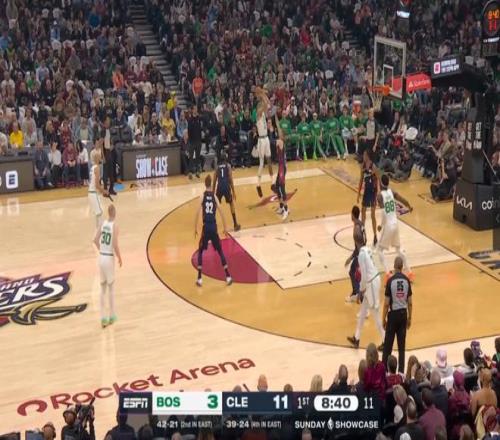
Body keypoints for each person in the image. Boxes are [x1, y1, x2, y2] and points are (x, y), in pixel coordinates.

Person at [194, 174, 232, 286]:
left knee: (201, 250)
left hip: (206, 227)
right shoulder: (215, 197)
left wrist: (195, 228)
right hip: (213, 227)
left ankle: (199, 278)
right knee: (220, 251)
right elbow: (222, 212)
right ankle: (228, 276)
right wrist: (225, 228)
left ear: (204, 184)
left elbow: (197, 213)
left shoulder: (202, 196)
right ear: (211, 184)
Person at [347, 237, 385, 349]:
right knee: (363, 312)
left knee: (375, 313)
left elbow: (363, 276)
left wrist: (360, 291)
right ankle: (356, 338)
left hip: (371, 283)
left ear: (356, 243)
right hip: (373, 279)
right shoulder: (367, 249)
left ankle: (385, 340)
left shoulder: (361, 255)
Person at [376, 174, 414, 281]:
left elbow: (384, 213)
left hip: (388, 225)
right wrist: (409, 205)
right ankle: (410, 272)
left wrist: (381, 225)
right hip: (395, 223)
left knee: (379, 250)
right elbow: (401, 199)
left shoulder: (379, 196)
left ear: (380, 183)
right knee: (399, 249)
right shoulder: (391, 191)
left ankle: (388, 274)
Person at [382, 256, 413, 372]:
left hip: (393, 315)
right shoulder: (407, 281)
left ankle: (384, 371)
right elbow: (410, 303)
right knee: (401, 348)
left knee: (387, 347)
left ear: (394, 266)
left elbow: (386, 304)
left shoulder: (390, 281)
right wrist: (410, 318)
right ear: (402, 267)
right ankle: (401, 373)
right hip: (403, 314)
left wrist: (383, 318)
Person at [94, 204, 122, 328]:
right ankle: (111, 316)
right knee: (111, 288)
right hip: (109, 258)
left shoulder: (102, 224)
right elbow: (115, 244)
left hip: (101, 257)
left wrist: (102, 250)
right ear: (114, 213)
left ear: (108, 212)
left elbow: (95, 240)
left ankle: (102, 318)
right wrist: (119, 257)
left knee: (102, 288)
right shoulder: (115, 226)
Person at [212, 151, 241, 231]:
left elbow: (214, 180)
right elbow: (230, 179)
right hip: (226, 187)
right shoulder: (228, 166)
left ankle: (211, 224)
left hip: (219, 187)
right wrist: (233, 191)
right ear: (226, 158)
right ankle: (235, 224)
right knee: (231, 204)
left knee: (215, 205)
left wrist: (213, 192)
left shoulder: (217, 167)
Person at [344, 205, 367, 303]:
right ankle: (356, 292)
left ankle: (356, 294)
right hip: (363, 251)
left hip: (360, 254)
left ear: (353, 215)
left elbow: (359, 246)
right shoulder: (361, 224)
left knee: (353, 272)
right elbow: (365, 240)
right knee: (356, 273)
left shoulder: (356, 229)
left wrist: (351, 258)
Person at [254, 87, 273, 198]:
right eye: (260, 105)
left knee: (269, 161)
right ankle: (258, 185)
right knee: (262, 163)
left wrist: (263, 94)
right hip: (261, 140)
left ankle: (272, 183)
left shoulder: (263, 113)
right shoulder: (258, 113)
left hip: (266, 138)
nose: (262, 106)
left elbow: (268, 104)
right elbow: (266, 105)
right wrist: (262, 93)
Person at [357, 149, 379, 245]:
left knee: (373, 215)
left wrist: (378, 193)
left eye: (364, 155)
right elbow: (361, 180)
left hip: (373, 192)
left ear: (368, 156)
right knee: (363, 212)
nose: (363, 156)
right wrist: (358, 193)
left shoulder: (373, 166)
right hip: (366, 191)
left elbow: (377, 179)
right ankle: (363, 234)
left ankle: (375, 236)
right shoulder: (362, 166)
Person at [273, 113, 289, 220]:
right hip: (281, 167)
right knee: (277, 186)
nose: (278, 132)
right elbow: (278, 127)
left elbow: (271, 142)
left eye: (280, 133)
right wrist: (275, 118)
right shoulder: (280, 140)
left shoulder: (280, 142)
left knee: (282, 188)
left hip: (282, 168)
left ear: (282, 135)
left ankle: (286, 210)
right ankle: (281, 207)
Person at [88, 149, 107, 230]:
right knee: (99, 213)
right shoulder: (97, 168)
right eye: (99, 157)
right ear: (97, 158)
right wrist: (104, 191)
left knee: (98, 213)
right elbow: (97, 185)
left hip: (91, 193)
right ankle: (101, 232)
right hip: (93, 193)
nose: (100, 158)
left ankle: (98, 231)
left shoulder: (93, 167)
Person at [101, 116, 117, 195]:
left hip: (109, 151)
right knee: (105, 172)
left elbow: (110, 141)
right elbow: (101, 144)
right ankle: (105, 190)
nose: (109, 121)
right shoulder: (103, 131)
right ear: (105, 122)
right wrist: (103, 156)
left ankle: (111, 189)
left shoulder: (109, 130)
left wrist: (112, 145)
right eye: (107, 120)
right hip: (105, 152)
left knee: (111, 171)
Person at [187, 105, 202, 179]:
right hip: (192, 141)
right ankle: (190, 172)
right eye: (195, 109)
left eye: (196, 109)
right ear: (192, 110)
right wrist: (190, 140)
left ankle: (197, 171)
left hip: (198, 140)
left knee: (197, 157)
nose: (196, 110)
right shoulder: (190, 119)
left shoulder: (199, 119)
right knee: (191, 157)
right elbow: (189, 130)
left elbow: (200, 129)